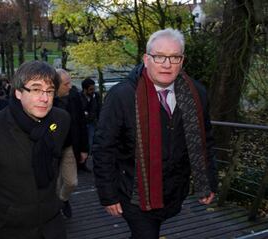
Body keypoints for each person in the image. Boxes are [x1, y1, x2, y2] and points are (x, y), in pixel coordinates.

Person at [92, 28, 217, 239]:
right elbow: (104, 148)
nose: (167, 64)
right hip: (133, 194)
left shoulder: (196, 94)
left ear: (182, 60)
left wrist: (209, 182)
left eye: (175, 57)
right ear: (146, 59)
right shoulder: (122, 96)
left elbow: (206, 142)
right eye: (159, 56)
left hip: (173, 192)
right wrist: (108, 195)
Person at [0, 61, 70, 239]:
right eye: (35, 89)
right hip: (5, 228)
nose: (45, 98)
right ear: (18, 92)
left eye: (49, 91)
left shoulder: (61, 120)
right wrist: (3, 201)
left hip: (51, 225)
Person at [54, 69, 89, 219]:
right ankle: (55, 209)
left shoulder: (74, 97)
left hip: (70, 146)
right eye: (66, 84)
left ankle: (62, 200)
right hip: (52, 149)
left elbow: (82, 123)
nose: (70, 86)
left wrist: (84, 149)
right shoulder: (45, 100)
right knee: (55, 183)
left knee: (71, 182)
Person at [80, 78, 102, 154]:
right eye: (91, 89)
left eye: (94, 89)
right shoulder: (78, 97)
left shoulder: (96, 96)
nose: (93, 91)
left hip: (93, 123)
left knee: (92, 142)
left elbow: (99, 109)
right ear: (85, 89)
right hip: (83, 124)